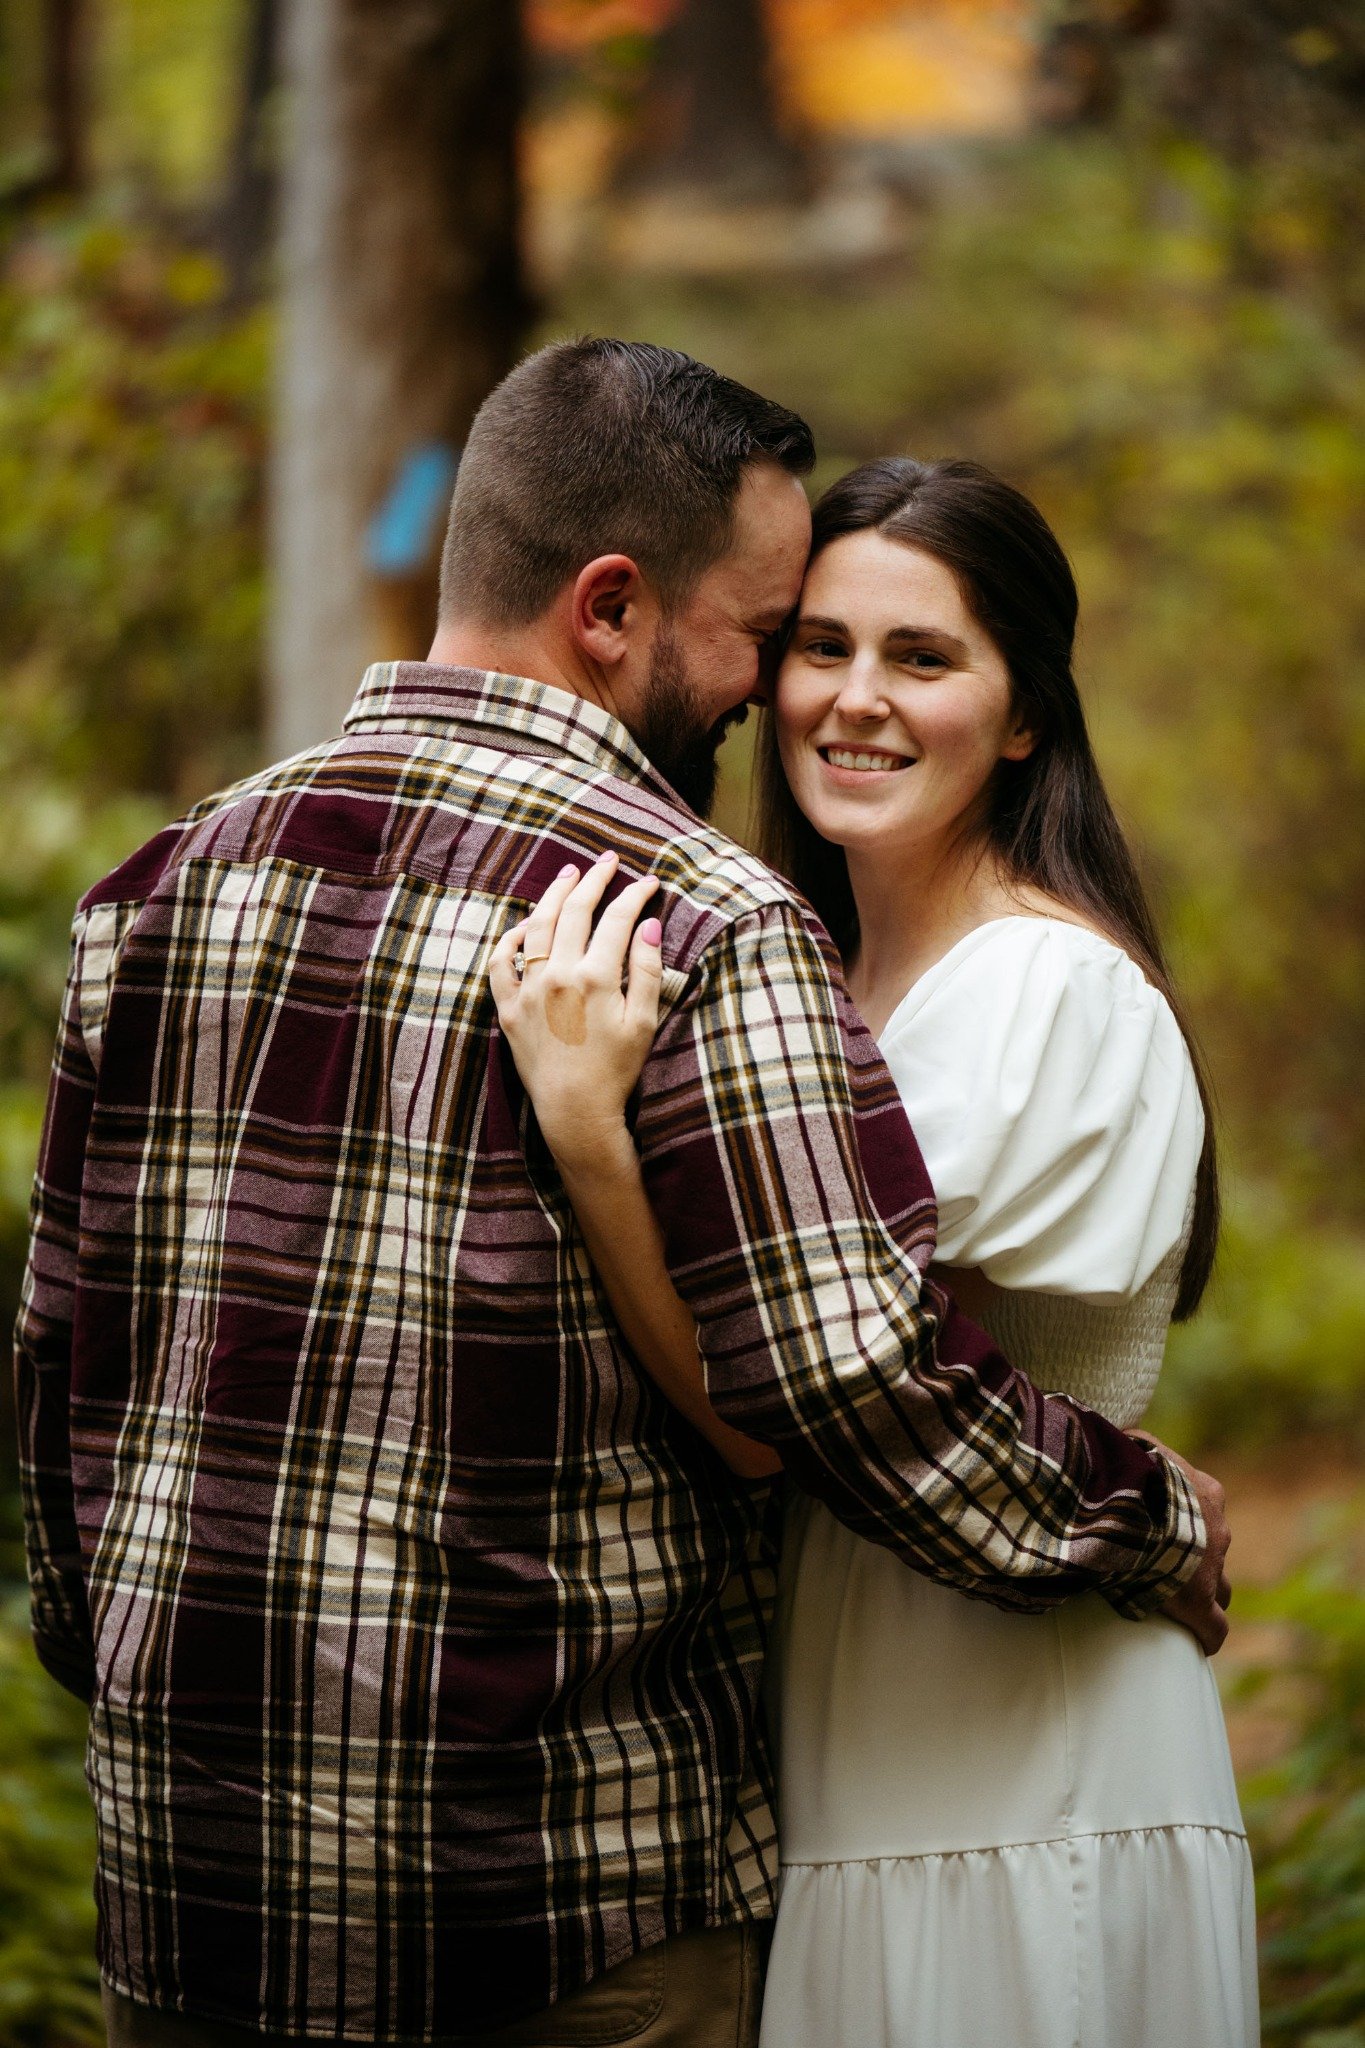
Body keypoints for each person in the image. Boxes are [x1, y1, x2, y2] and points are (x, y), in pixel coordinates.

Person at [14, 342, 1227, 2048]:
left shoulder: (154, 893)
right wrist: (1143, 1517)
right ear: (608, 608)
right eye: (764, 630)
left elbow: (61, 1363)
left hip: (197, 1890)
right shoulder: (692, 916)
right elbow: (840, 1377)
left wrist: (134, 1692)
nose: (765, 692)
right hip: (567, 1907)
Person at [490, 457, 1258, 2047]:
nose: (854, 699)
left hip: (1021, 1780)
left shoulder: (1045, 992)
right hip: (859, 1780)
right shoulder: (821, 985)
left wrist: (587, 1134)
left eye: (922, 658)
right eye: (818, 647)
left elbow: (781, 1405)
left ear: (1025, 712)